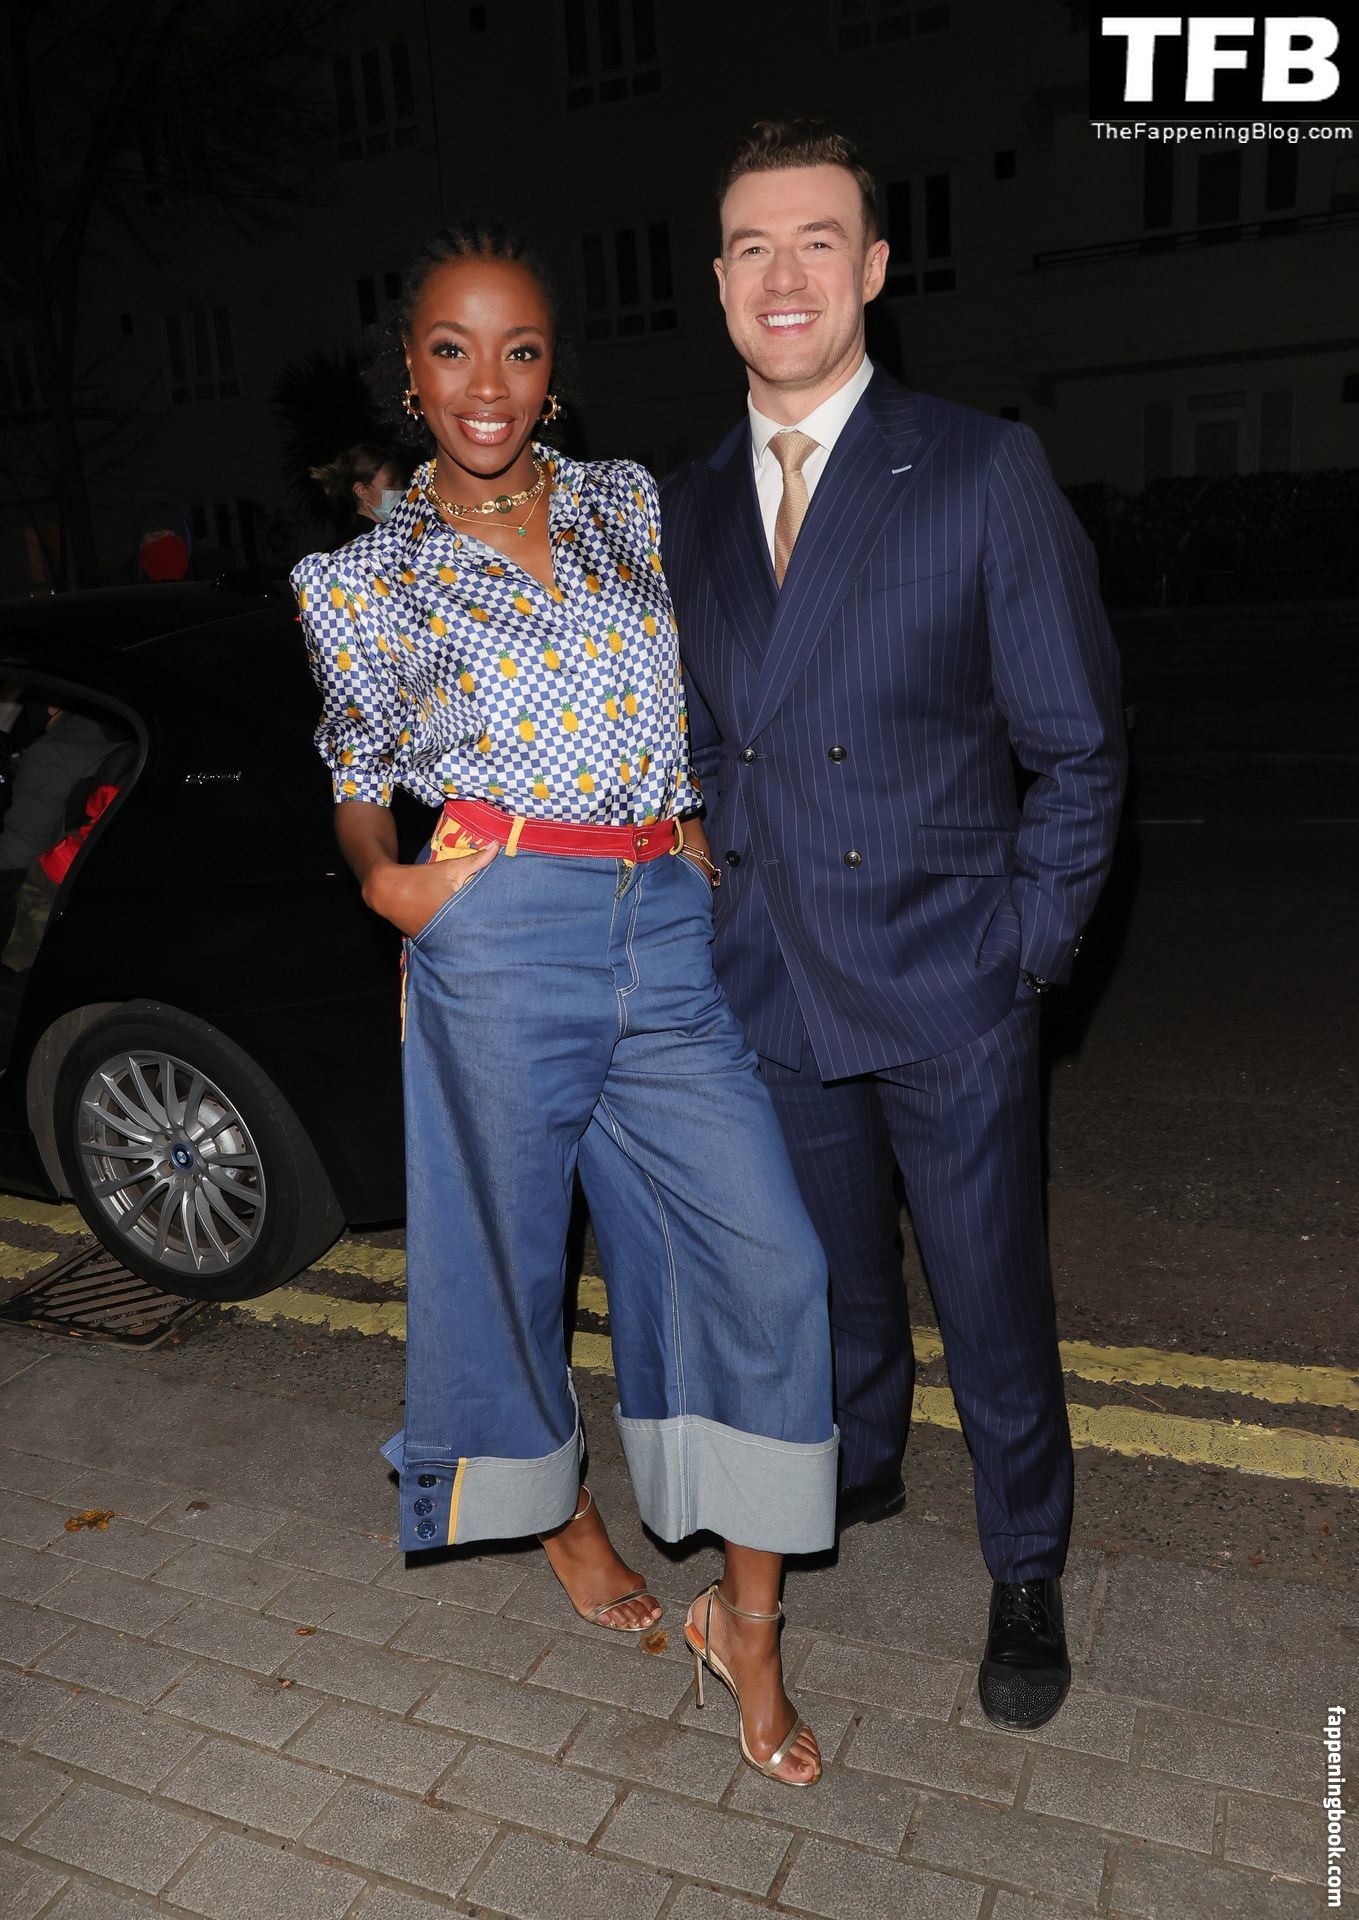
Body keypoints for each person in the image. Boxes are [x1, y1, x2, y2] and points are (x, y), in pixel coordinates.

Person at [291, 221, 838, 1788]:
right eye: (451, 349)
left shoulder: (626, 506)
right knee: (506, 1264)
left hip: (661, 924)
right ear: (410, 375)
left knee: (771, 1262)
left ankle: (746, 1623)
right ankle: (560, 1514)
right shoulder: (364, 576)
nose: (487, 382)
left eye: (518, 350)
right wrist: (387, 884)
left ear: (552, 374)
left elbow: (712, 681)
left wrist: (698, 829)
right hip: (498, 928)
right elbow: (355, 773)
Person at [661, 122, 1128, 1732]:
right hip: (773, 979)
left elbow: (1076, 747)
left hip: (948, 980)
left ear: (869, 268)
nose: (781, 274)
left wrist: (1022, 952)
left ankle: (1023, 1559)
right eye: (750, 247)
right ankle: (860, 1457)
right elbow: (705, 737)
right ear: (717, 282)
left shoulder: (977, 467)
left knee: (987, 1297)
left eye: (815, 241)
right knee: (832, 1279)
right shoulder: (689, 502)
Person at [309, 442, 416, 532]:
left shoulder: (402, 527)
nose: (402, 490)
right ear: (361, 491)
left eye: (403, 482)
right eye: (391, 484)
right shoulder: (358, 543)